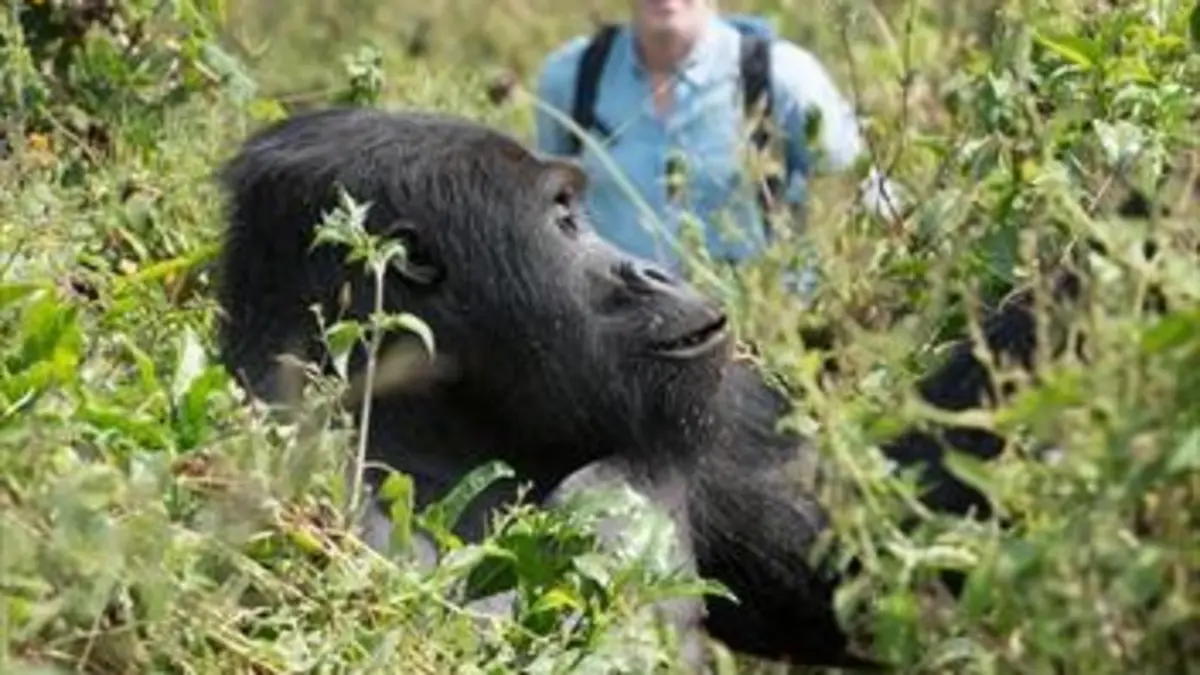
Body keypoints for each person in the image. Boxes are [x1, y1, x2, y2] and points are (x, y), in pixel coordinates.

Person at [533, 0, 899, 284]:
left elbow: (866, 200)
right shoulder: (572, 77)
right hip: (617, 338)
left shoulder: (782, 76)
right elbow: (547, 217)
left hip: (752, 337)